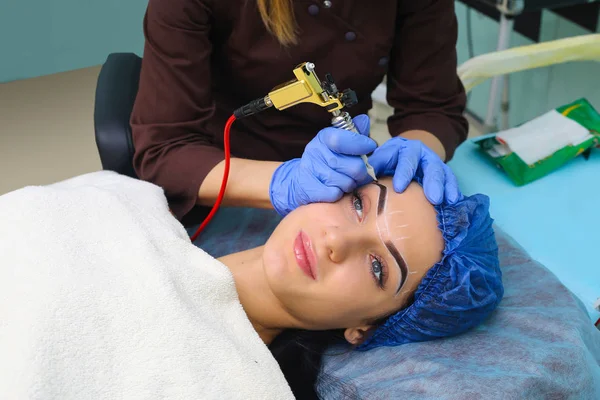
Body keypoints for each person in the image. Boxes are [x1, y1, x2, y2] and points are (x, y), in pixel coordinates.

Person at [0, 171, 503, 399]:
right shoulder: (124, 199)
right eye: (358, 204)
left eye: (379, 267)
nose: (336, 240)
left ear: (365, 327)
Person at [129, 0, 468, 226]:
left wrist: (418, 149)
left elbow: (432, 106)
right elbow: (165, 151)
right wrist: (286, 184)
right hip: (227, 183)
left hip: (349, 180)